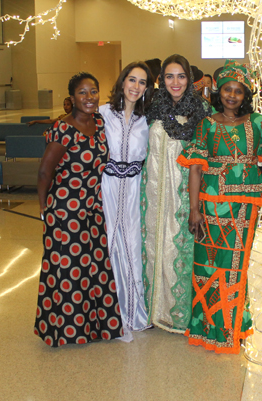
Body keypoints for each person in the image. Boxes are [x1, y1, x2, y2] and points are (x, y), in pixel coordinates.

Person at [177, 60, 262, 354]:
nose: (232, 96)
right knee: (205, 265)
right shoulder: (206, 125)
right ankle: (206, 327)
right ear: (219, 92)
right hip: (209, 207)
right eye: (227, 90)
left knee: (235, 268)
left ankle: (231, 330)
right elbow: (195, 169)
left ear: (244, 95)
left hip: (242, 207)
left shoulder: (258, 122)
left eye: (238, 91)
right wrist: (194, 209)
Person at [35, 72, 123, 347]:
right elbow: (44, 172)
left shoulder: (99, 122)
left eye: (93, 92)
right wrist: (44, 210)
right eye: (83, 93)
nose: (89, 97)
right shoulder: (64, 129)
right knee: (69, 269)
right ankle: (66, 331)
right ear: (72, 98)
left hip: (93, 208)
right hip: (66, 211)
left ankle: (95, 327)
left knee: (93, 268)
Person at [141, 54, 211, 334]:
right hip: (152, 191)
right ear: (161, 80)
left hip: (185, 193)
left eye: (181, 76)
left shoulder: (202, 110)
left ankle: (180, 314)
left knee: (181, 248)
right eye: (169, 76)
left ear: (189, 79)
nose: (175, 82)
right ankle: (151, 309)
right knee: (151, 245)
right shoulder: (151, 108)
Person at [100, 61, 154, 342]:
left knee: (132, 247)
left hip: (134, 189)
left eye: (142, 82)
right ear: (122, 82)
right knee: (109, 245)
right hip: (107, 188)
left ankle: (134, 314)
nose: (136, 86)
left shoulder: (148, 121)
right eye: (132, 80)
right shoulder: (103, 114)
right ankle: (108, 314)